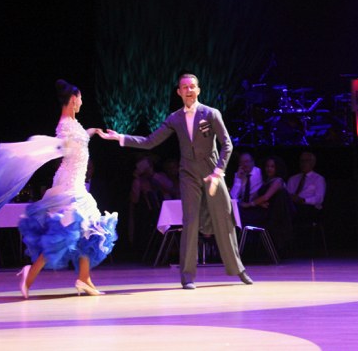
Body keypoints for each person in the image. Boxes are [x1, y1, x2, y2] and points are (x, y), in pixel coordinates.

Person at [100, 73, 252, 289]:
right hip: (188, 173)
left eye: (192, 86)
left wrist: (219, 172)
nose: (189, 90)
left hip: (213, 171)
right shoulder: (175, 118)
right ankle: (187, 275)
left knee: (224, 217)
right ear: (179, 92)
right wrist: (121, 138)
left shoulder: (211, 113)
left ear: (198, 90)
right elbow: (150, 141)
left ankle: (238, 269)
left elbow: (227, 144)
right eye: (184, 87)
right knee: (190, 221)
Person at [0, 80, 118, 298]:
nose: (82, 102)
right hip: (69, 183)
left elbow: (79, 139)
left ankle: (84, 278)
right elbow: (64, 145)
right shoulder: (65, 125)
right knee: (65, 232)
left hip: (76, 182)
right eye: (80, 98)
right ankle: (29, 275)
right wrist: (65, 146)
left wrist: (92, 131)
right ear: (73, 99)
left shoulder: (73, 123)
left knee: (88, 228)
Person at [240, 155, 295, 256]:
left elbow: (266, 197)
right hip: (262, 211)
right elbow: (255, 196)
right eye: (267, 166)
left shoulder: (278, 181)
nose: (269, 169)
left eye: (272, 166)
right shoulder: (266, 181)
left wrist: (250, 204)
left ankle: (241, 250)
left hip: (269, 215)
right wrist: (258, 202)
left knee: (240, 215)